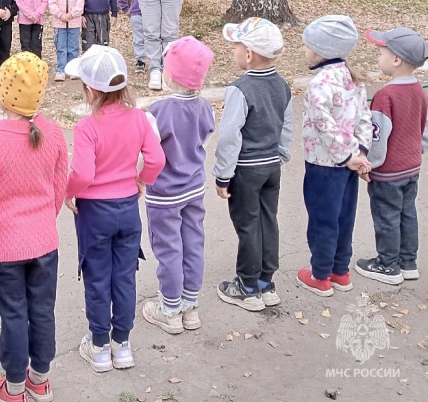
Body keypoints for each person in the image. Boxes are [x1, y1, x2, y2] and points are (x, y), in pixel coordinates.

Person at [0, 52, 68, 402]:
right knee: (42, 309)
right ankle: (40, 379)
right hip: (44, 243)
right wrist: (41, 224)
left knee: (14, 314)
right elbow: (58, 189)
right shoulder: (53, 133)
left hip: (4, 249)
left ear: (2, 93)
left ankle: (14, 388)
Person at [64, 45, 165, 373]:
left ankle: (99, 345)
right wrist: (141, 181)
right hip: (126, 210)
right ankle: (122, 344)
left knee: (96, 278)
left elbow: (82, 173)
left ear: (90, 89)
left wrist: (69, 194)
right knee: (124, 276)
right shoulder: (138, 119)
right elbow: (157, 159)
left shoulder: (87, 128)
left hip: (95, 212)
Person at [211, 19, 293, 311]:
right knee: (268, 219)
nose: (233, 50)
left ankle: (247, 284)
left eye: (236, 45)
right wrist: (281, 154)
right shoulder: (282, 85)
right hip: (272, 165)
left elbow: (230, 136)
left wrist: (223, 175)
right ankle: (265, 282)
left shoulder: (240, 88)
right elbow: (286, 125)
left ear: (248, 54)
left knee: (247, 224)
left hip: (246, 168)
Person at [143, 37, 215, 334]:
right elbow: (204, 142)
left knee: (169, 247)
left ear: (171, 74)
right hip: (194, 188)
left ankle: (170, 309)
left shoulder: (158, 112)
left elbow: (146, 155)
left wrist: (141, 180)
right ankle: (191, 306)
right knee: (193, 244)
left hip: (164, 194)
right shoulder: (204, 107)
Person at [298, 15, 373, 297]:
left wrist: (345, 157)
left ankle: (320, 275)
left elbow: (323, 125)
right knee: (344, 217)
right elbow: (366, 118)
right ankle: (340, 271)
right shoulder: (353, 79)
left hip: (324, 164)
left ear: (320, 50)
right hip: (350, 163)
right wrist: (360, 153)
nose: (304, 50)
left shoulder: (319, 84)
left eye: (307, 45)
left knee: (322, 219)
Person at [356, 27, 428, 284]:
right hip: (411, 167)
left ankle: (387, 265)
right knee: (407, 213)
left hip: (389, 172)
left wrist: (370, 164)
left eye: (381, 53)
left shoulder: (385, 95)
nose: (379, 58)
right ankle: (407, 261)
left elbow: (377, 136)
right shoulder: (419, 90)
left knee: (387, 215)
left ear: (396, 60)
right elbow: (426, 128)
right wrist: (417, 151)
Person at [48, 0, 85, 82]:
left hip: (74, 21)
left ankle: (72, 69)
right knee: (61, 46)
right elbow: (51, 2)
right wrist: (60, 14)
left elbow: (80, 3)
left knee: (73, 46)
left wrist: (71, 15)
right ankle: (61, 69)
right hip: (59, 22)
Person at [116, 0, 145, 74]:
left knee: (154, 37)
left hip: (151, 13)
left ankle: (157, 60)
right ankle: (140, 60)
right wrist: (126, 9)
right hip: (136, 13)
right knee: (138, 38)